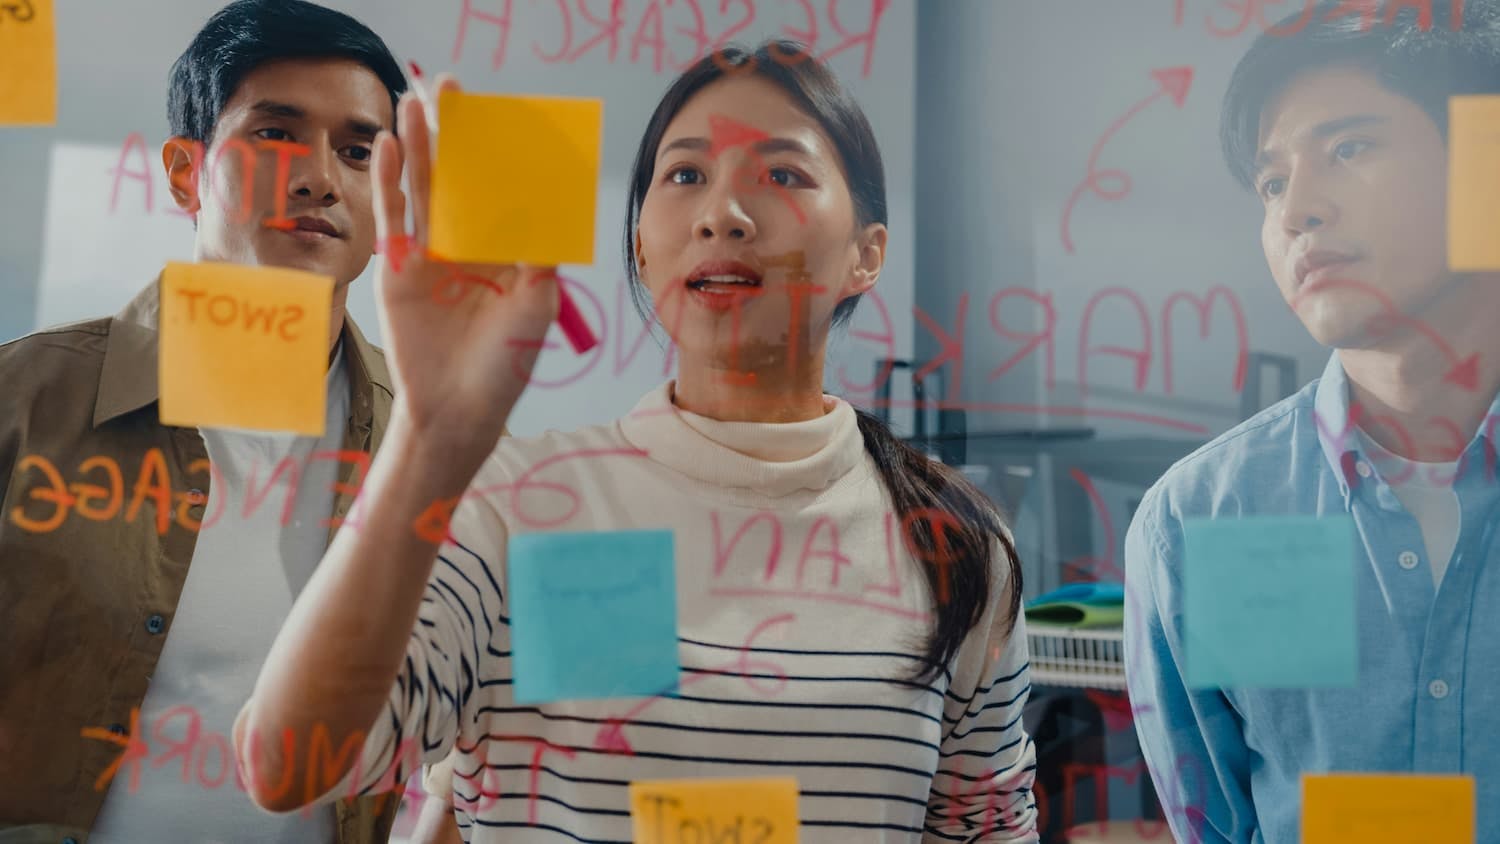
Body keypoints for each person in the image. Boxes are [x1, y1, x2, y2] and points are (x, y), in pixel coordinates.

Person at [232, 40, 1040, 842]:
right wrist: (428, 434)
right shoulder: (520, 505)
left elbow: (988, 829)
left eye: (783, 174)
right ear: (644, 242)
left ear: (868, 254)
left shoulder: (955, 545)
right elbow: (290, 767)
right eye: (685, 175)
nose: (723, 212)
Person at [0, 1, 410, 842]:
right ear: (186, 172)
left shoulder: (428, 450)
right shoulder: (24, 402)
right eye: (276, 135)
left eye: (359, 151)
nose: (320, 178)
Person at [1125, 0, 1500, 840]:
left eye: (1350, 147)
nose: (1298, 209)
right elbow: (1221, 823)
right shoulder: (1207, 519)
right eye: (1271, 181)